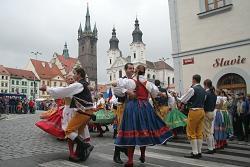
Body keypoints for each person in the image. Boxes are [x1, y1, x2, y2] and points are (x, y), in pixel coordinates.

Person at [115, 65, 172, 167]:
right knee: (144, 131)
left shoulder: (130, 81)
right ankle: (142, 154)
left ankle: (130, 160)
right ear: (145, 72)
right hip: (145, 107)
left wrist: (126, 91)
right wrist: (161, 94)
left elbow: (117, 86)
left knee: (130, 131)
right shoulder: (148, 83)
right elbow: (154, 94)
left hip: (132, 107)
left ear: (136, 71)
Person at [40, 67, 95, 162]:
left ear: (78, 74)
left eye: (73, 74)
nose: (72, 77)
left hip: (81, 112)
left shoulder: (78, 85)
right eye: (69, 77)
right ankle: (79, 152)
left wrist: (47, 88)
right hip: (80, 111)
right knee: (78, 133)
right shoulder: (81, 84)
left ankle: (85, 146)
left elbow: (63, 91)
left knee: (69, 131)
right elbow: (65, 93)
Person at [177, 74, 206, 159]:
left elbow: (183, 100)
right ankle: (199, 152)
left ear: (193, 80)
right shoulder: (203, 90)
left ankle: (195, 152)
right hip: (202, 110)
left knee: (191, 132)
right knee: (199, 132)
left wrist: (176, 97)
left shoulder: (193, 89)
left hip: (194, 111)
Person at [112, 63, 134, 164]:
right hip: (123, 106)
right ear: (125, 70)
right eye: (130, 68)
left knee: (129, 131)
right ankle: (117, 154)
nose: (132, 70)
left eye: (133, 68)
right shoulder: (121, 80)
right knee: (121, 130)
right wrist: (127, 91)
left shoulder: (135, 80)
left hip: (133, 108)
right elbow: (117, 91)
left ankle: (125, 149)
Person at [202, 79, 217, 154]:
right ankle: (213, 147)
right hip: (212, 112)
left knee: (207, 132)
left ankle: (210, 148)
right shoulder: (214, 94)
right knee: (210, 131)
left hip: (207, 112)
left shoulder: (206, 93)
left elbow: (203, 102)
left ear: (206, 84)